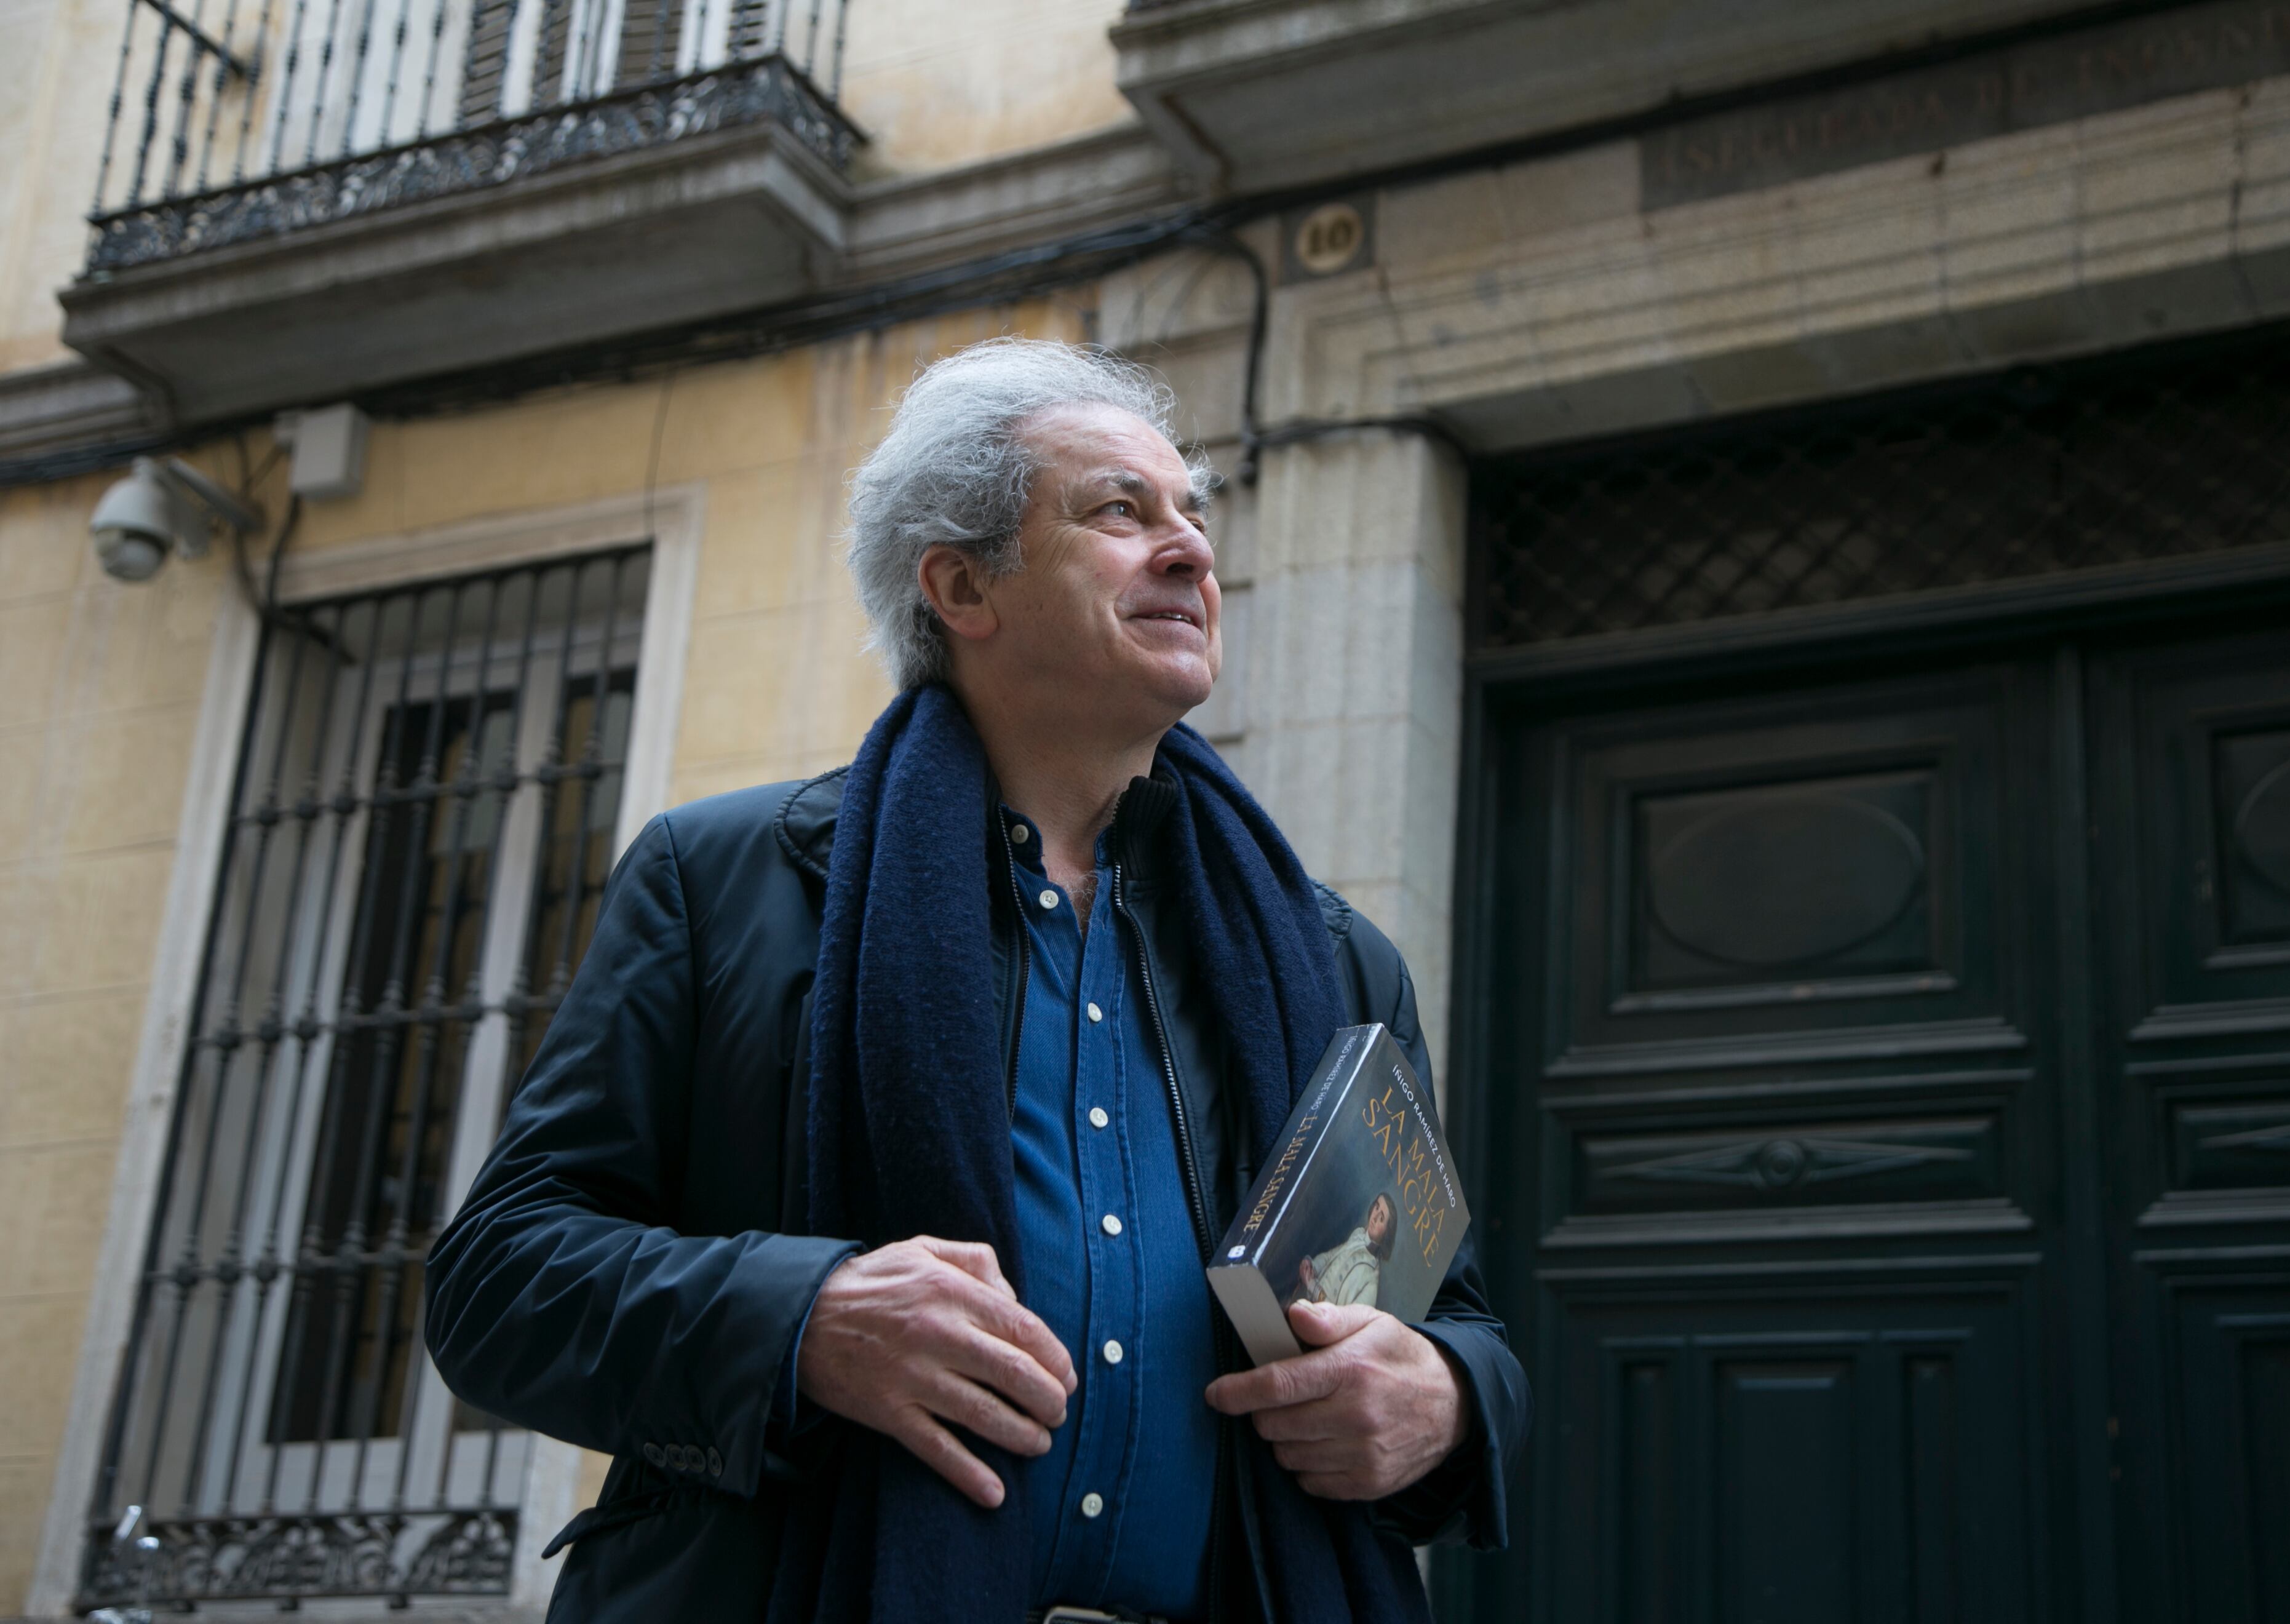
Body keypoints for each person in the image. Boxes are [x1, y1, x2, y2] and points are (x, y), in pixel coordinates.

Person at [423, 338, 1528, 1624]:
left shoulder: (1334, 959)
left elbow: (1450, 1321)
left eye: (1193, 513)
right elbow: (498, 1280)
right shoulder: (727, 885)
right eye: (1121, 510)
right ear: (960, 586)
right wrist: (803, 1318)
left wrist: (1443, 1401)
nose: (1191, 551)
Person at [1296, 1194, 1396, 1310]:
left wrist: (1314, 1289)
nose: (1375, 1217)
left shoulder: (1371, 1280)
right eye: (1377, 1208)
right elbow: (1332, 1256)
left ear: (1387, 1234)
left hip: (1319, 1320)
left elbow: (1346, 1320)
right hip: (1305, 1301)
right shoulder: (1358, 1235)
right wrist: (1312, 1266)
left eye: (1381, 1219)